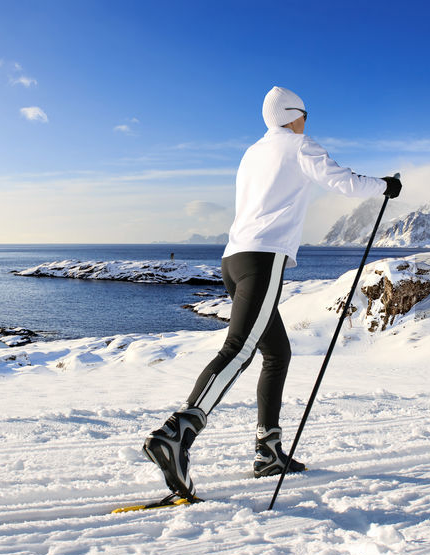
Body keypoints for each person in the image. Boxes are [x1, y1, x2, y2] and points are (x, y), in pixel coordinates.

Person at [142, 86, 402, 501]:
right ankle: (176, 435)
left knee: (276, 353)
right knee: (239, 350)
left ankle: (268, 452)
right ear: (294, 116)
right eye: (305, 115)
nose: (306, 122)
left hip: (233, 261)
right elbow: (346, 184)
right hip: (263, 261)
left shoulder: (252, 153)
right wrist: (386, 185)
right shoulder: (299, 146)